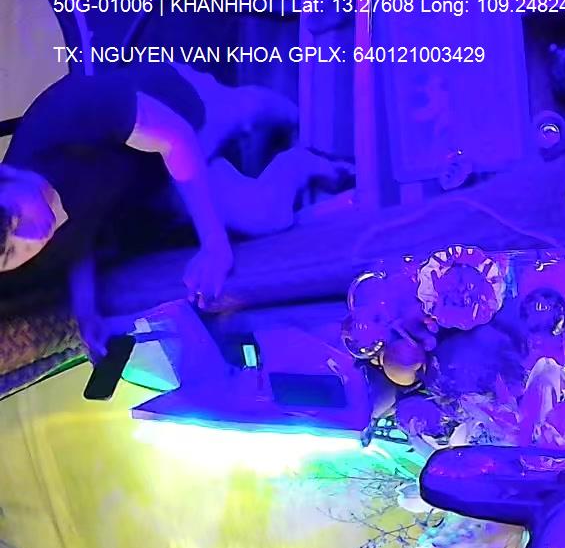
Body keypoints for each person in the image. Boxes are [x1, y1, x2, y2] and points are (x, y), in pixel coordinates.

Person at [0, 63, 348, 357]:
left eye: (16, 216)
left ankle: (289, 112)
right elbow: (77, 244)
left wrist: (214, 246)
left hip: (174, 108)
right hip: (153, 179)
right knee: (263, 215)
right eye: (12, 253)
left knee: (248, 113)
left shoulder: (62, 116)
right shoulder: (33, 236)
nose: (32, 235)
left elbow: (176, 138)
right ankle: (300, 163)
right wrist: (87, 313)